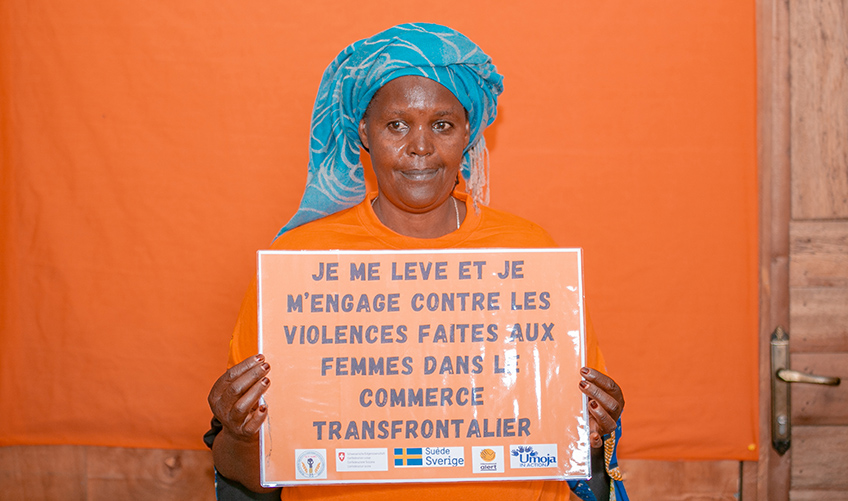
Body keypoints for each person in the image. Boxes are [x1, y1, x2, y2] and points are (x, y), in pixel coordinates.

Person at [205, 23, 628, 501]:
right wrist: (238, 435)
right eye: (397, 124)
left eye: (442, 124)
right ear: (364, 132)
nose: (421, 147)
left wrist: (597, 431)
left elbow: (583, 449)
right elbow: (249, 472)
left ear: (467, 132)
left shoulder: (531, 255)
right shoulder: (299, 263)